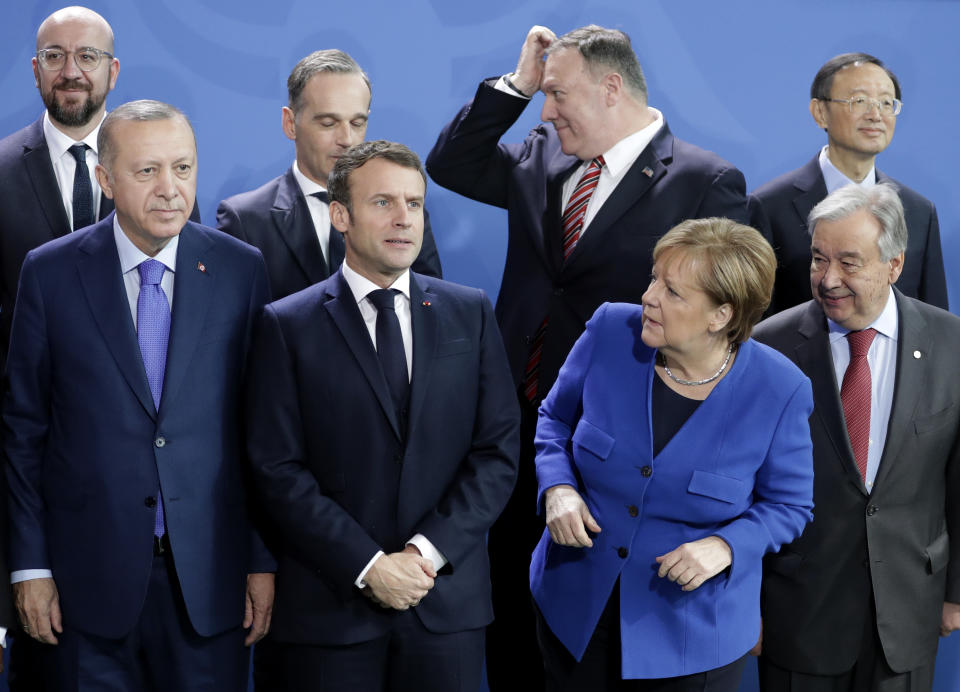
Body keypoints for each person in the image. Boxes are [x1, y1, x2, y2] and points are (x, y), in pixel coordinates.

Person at [426, 24, 750, 685]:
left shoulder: (704, 181)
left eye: (556, 95)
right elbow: (451, 163)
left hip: (624, 438)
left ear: (609, 88)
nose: (545, 112)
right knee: (513, 607)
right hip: (515, 422)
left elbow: (724, 322)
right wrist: (516, 84)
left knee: (593, 626)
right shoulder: (543, 152)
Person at [3, 100, 274, 690]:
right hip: (81, 590)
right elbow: (22, 434)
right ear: (105, 178)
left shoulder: (241, 269)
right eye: (147, 171)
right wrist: (30, 566)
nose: (170, 189)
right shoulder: (48, 274)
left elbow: (261, 435)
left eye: (183, 167)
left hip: (210, 585)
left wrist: (260, 559)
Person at [244, 140, 520, 691]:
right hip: (329, 617)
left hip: (444, 613)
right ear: (340, 214)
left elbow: (497, 453)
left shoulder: (470, 312)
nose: (403, 219)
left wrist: (422, 555)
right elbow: (276, 468)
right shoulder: (286, 325)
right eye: (383, 203)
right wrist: (370, 566)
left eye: (414, 204)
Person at [531, 217, 814, 690]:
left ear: (720, 316)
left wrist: (725, 546)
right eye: (654, 278)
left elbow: (789, 505)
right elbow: (554, 420)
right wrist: (557, 487)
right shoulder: (608, 331)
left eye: (674, 292)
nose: (649, 297)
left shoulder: (780, 389)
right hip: (574, 609)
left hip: (691, 638)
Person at [753, 182, 960, 692]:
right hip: (798, 613)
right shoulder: (768, 347)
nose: (828, 280)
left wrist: (956, 591)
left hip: (909, 613)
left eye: (849, 262)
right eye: (818, 260)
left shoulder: (952, 344)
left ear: (895, 265)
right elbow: (745, 486)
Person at [217, 49, 442, 301]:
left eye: (357, 124)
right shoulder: (246, 220)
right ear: (290, 123)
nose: (346, 140)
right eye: (328, 123)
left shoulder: (405, 213)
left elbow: (429, 306)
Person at [750, 53, 947, 315]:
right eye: (860, 101)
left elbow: (933, 322)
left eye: (887, 103)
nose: (876, 115)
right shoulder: (770, 206)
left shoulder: (919, 211)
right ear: (820, 112)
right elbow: (757, 321)